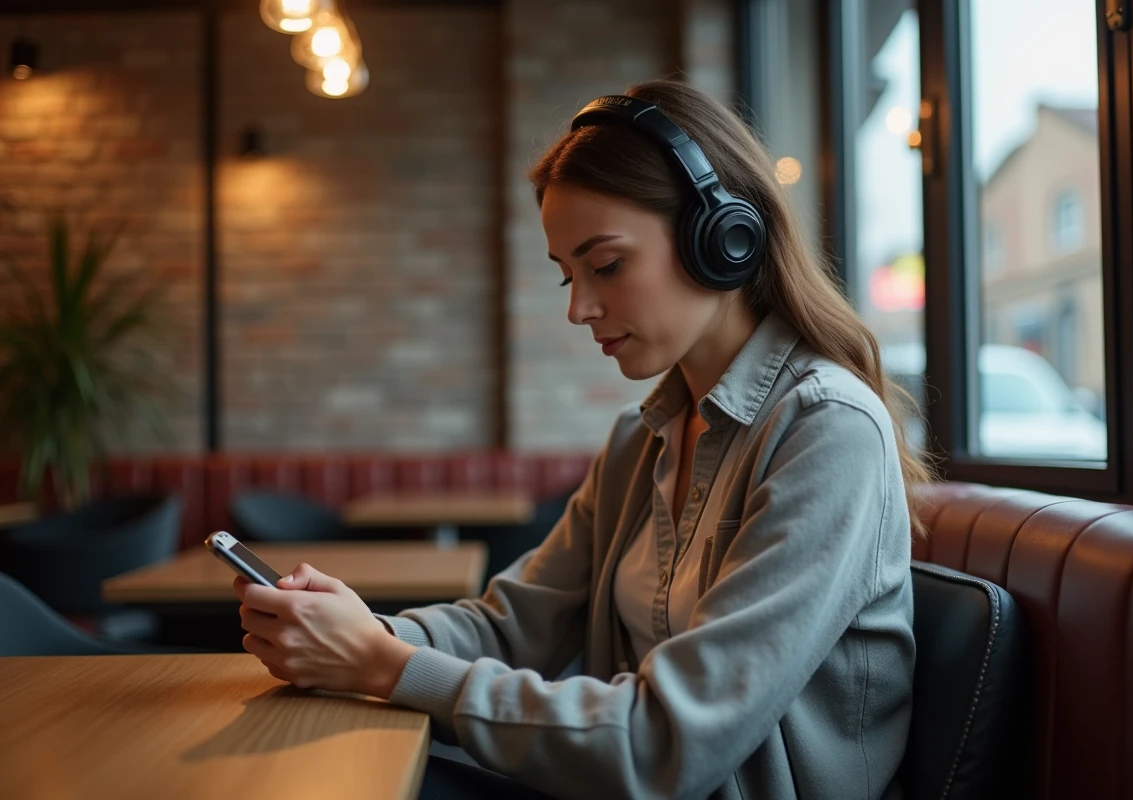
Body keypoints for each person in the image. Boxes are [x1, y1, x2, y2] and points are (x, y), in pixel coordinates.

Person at [234, 79, 932, 800]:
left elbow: (668, 742)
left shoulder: (828, 431)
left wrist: (383, 666)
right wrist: (356, 632)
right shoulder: (641, 441)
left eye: (605, 266)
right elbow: (512, 627)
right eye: (567, 275)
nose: (579, 307)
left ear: (724, 239)